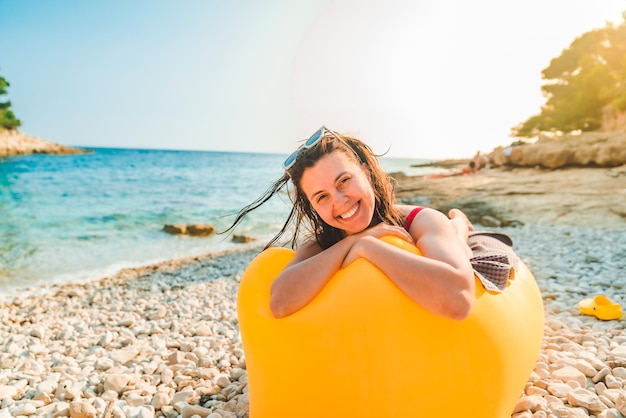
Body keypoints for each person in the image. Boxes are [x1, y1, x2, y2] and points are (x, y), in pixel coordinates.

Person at [226, 126, 516, 320]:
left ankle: (460, 225)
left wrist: (369, 247)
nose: (339, 201)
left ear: (365, 171)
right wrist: (354, 243)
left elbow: (459, 301)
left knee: (459, 245)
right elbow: (279, 303)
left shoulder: (421, 220)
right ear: (312, 205)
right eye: (322, 196)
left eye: (344, 180)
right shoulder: (321, 243)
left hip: (447, 236)